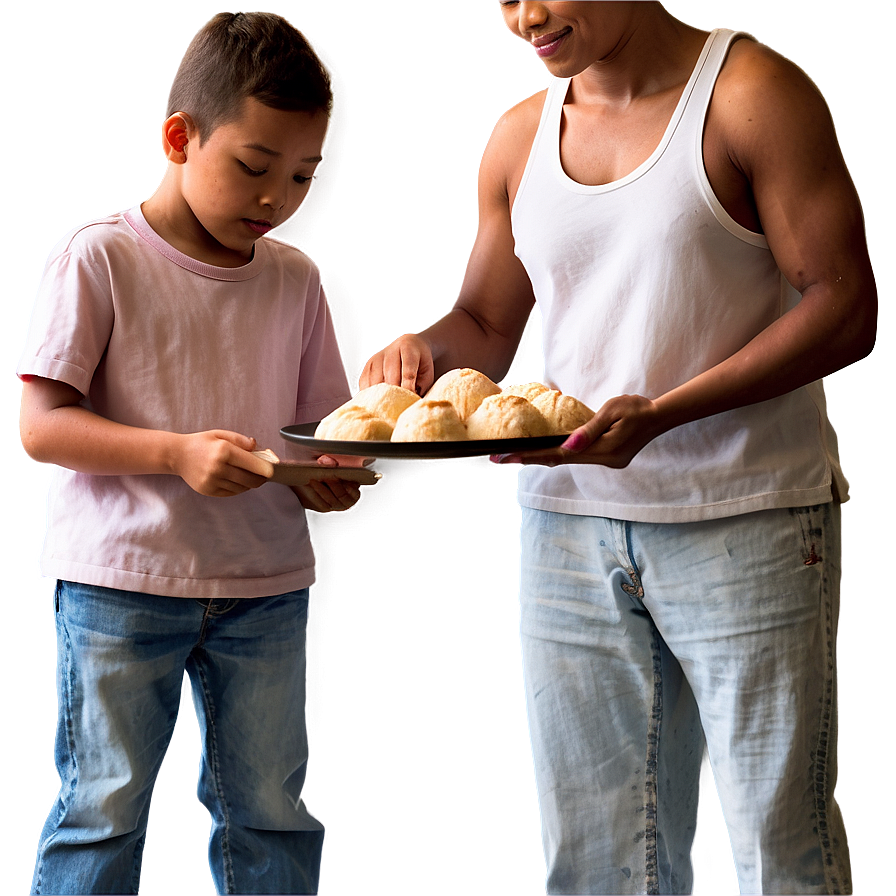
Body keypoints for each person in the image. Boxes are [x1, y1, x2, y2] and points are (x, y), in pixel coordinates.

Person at [361, 2, 877, 894]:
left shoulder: (751, 95)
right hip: (567, 529)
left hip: (744, 515)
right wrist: (422, 356)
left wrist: (665, 414)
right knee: (600, 860)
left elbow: (847, 306)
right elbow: (487, 322)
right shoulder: (520, 133)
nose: (521, 17)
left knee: (775, 848)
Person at [16, 11, 367, 894]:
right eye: (254, 167)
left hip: (266, 592)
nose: (277, 200)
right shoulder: (99, 259)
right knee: (103, 812)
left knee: (272, 813)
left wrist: (330, 482)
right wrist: (174, 453)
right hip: (121, 586)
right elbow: (43, 425)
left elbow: (316, 432)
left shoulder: (297, 279)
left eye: (301, 176)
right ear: (179, 137)